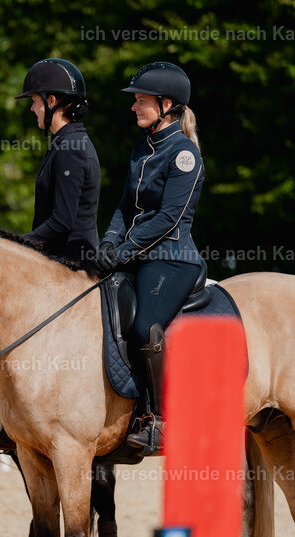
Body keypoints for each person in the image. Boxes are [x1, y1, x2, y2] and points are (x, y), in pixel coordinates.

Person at [96, 62, 205, 453]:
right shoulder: (142, 148)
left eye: (141, 100)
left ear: (166, 105)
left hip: (172, 257)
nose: (134, 107)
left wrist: (124, 250)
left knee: (144, 328)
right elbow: (125, 206)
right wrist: (108, 242)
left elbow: (168, 218)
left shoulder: (184, 154)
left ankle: (161, 420)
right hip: (136, 254)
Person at [15, 58, 100, 262]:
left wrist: (18, 243)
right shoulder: (64, 142)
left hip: (72, 263)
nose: (32, 108)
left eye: (34, 101)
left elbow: (62, 221)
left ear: (51, 101)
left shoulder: (71, 147)